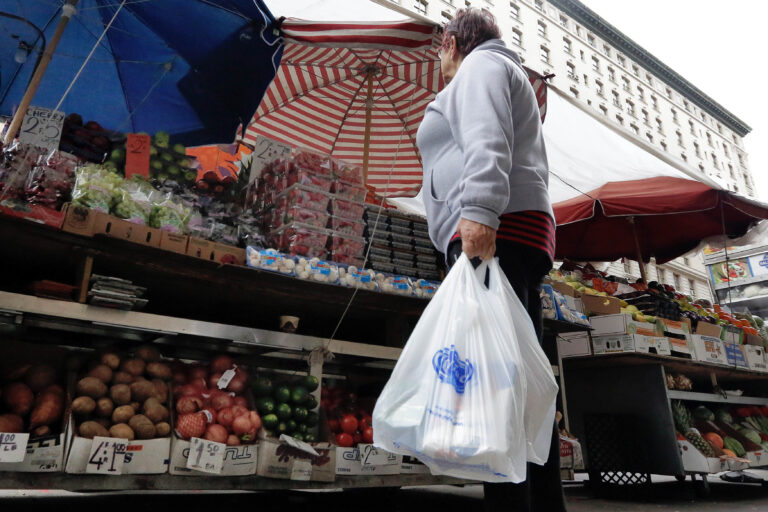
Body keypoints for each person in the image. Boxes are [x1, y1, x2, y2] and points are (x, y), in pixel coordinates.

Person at [415, 8, 565, 512]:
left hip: (495, 227)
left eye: (440, 48)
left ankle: (512, 505)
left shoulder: (481, 67)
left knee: (493, 386)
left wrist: (477, 214)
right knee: (517, 377)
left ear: (455, 42)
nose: (439, 59)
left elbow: (487, 139)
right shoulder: (501, 69)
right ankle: (543, 504)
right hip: (514, 229)